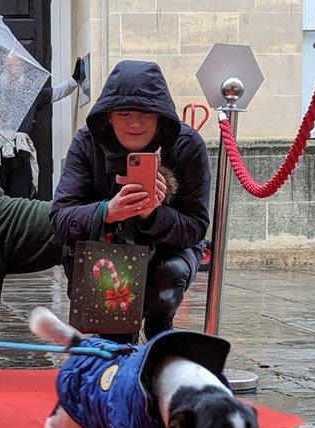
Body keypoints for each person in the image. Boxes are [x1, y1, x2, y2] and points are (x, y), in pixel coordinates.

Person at [50, 60, 211, 342]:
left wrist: (152, 215)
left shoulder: (188, 145)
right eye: (124, 114)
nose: (134, 124)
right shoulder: (87, 143)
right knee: (115, 340)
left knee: (170, 273)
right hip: (107, 251)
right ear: (109, 116)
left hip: (167, 253)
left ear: (160, 116)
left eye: (146, 114)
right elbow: (61, 218)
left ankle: (160, 330)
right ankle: (116, 337)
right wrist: (107, 212)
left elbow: (196, 227)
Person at [0, 58, 85, 199]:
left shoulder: (30, 93)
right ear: (3, 68)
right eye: (9, 64)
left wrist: (74, 80)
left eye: (16, 64)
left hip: (21, 152)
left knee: (21, 197)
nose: (13, 68)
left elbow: (57, 92)